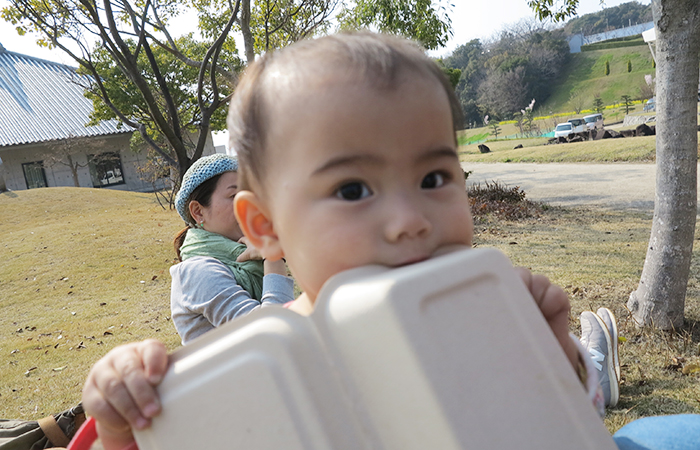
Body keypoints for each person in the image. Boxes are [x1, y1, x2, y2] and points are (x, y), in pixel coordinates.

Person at [81, 32, 700, 450]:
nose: (410, 220)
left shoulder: (481, 308)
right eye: (353, 190)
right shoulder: (250, 364)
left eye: (434, 177)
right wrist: (125, 421)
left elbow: (560, 429)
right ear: (264, 226)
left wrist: (557, 357)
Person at [170, 153, 294, 344]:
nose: (250, 207)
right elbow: (271, 334)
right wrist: (273, 256)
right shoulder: (198, 272)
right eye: (234, 196)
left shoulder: (251, 256)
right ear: (198, 211)